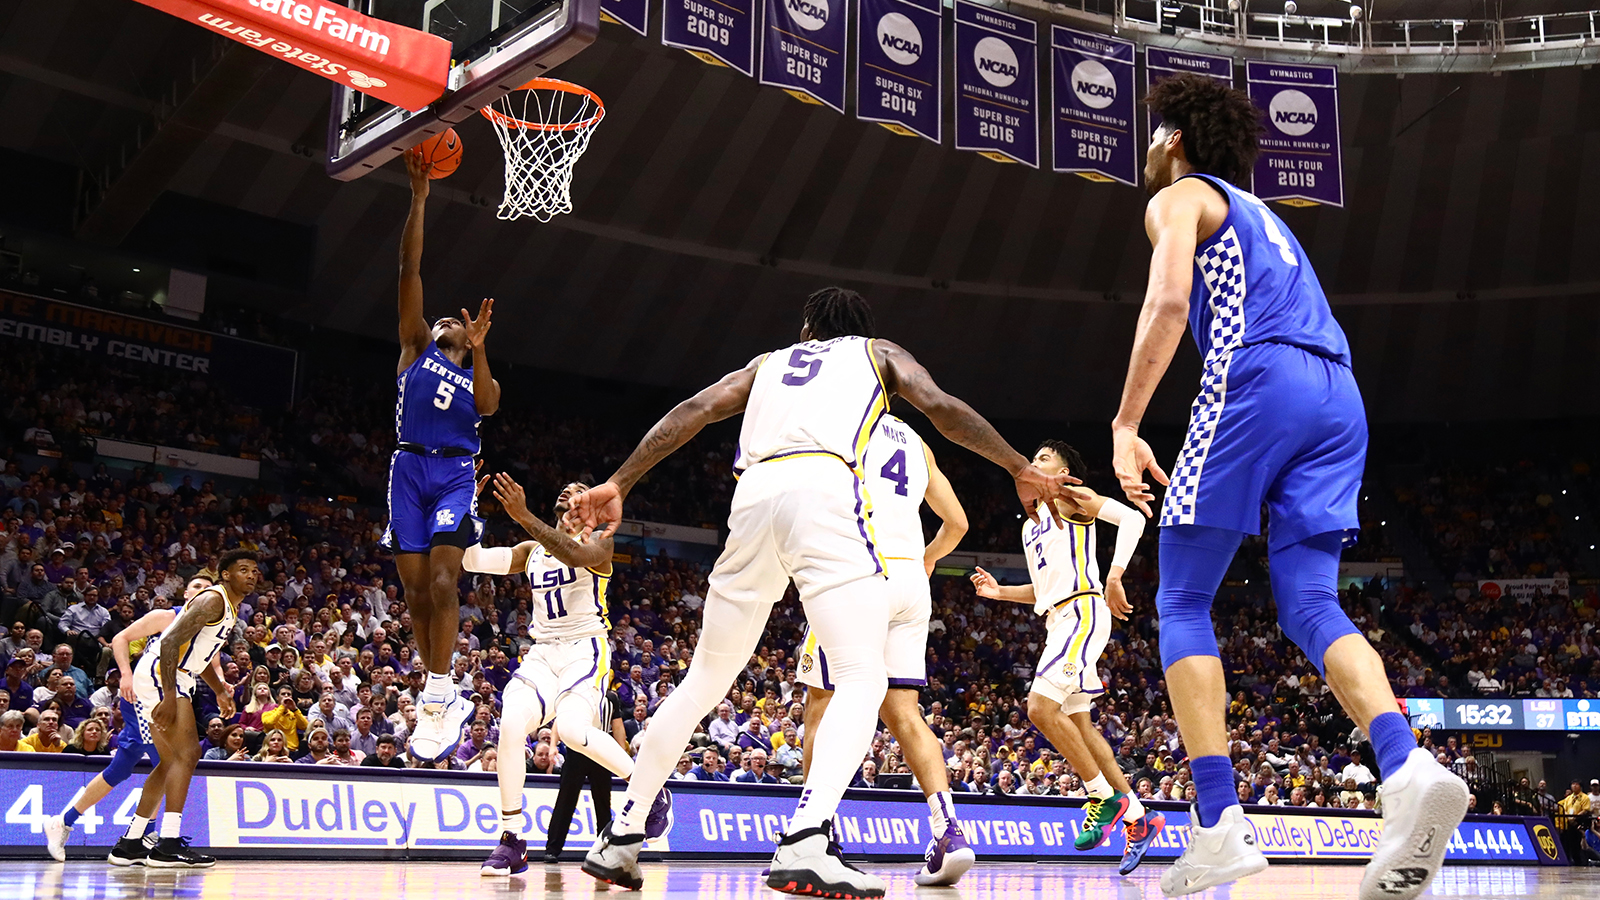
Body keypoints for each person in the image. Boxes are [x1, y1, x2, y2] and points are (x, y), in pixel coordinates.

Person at [572, 287, 1074, 897]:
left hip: (753, 494)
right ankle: (808, 838)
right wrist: (1019, 465)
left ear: (807, 327)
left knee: (704, 678)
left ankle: (622, 834)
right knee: (863, 678)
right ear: (861, 329)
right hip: (825, 489)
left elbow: (694, 410)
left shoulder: (768, 362)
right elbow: (941, 406)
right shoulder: (877, 353)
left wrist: (621, 479)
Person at [1109, 73, 1468, 899]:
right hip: (1339, 396)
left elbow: (1167, 306)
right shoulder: (1269, 219)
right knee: (1310, 603)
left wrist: (1128, 425)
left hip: (1257, 377)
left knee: (1182, 600)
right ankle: (1407, 768)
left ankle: (1219, 824)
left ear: (1170, 139)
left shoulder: (1179, 199)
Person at [795, 412, 976, 886]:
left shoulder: (839, 421)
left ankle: (812, 834)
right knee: (905, 715)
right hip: (911, 581)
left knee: (821, 705)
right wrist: (929, 558)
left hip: (860, 570)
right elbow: (957, 522)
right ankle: (948, 832)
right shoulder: (916, 441)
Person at [970, 439, 1165, 875]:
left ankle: (1101, 794)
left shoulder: (1073, 498)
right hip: (1057, 618)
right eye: (1034, 457)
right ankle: (1139, 819)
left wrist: (1114, 578)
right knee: (1078, 724)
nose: (1036, 462)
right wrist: (999, 592)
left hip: (1084, 611)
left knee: (1039, 707)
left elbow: (1132, 520)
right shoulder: (1030, 525)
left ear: (1064, 469)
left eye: (1045, 458)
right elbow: (1041, 591)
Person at [467, 478, 669, 877]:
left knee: (574, 731)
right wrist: (467, 508)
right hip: (543, 651)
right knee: (509, 725)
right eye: (564, 488)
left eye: (579, 488)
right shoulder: (532, 551)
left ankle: (651, 789)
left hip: (585, 648)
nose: (568, 490)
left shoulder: (601, 545)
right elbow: (472, 560)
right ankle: (512, 840)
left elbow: (573, 556)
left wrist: (523, 516)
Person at [387, 148, 501, 763]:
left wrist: (480, 349)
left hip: (455, 472)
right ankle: (440, 690)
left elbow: (487, 405)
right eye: (439, 320)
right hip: (407, 467)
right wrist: (420, 197)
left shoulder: (471, 366)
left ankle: (438, 692)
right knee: (413, 593)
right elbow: (409, 266)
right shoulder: (413, 348)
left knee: (442, 578)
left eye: (450, 325)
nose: (440, 322)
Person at [42, 574, 225, 862]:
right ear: (187, 593)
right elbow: (120, 638)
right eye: (198, 586)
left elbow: (198, 664)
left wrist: (220, 688)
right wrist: (125, 675)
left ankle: (65, 822)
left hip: (168, 694)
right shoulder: (168, 616)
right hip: (144, 695)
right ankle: (146, 833)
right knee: (170, 761)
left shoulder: (205, 629)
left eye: (208, 588)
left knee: (123, 768)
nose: (204, 591)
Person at [109, 550, 258, 868]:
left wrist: (219, 690)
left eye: (255, 570)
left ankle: (130, 844)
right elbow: (168, 642)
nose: (251, 575)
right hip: (164, 674)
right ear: (226, 575)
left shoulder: (230, 607)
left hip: (178, 674)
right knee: (188, 754)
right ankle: (167, 843)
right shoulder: (212, 600)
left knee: (168, 763)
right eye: (243, 569)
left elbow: (198, 654)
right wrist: (167, 695)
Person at [542, 689, 629, 865]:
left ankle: (603, 851)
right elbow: (560, 721)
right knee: (565, 801)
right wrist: (553, 745)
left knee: (603, 803)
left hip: (602, 754)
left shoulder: (611, 698)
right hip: (577, 751)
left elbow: (618, 727)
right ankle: (552, 850)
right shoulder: (576, 693)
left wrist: (621, 755)